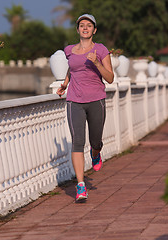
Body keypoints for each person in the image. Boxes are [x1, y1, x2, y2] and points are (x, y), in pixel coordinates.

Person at [56, 14, 114, 202]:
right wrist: (64, 84)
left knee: (95, 140)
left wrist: (97, 62)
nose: (85, 28)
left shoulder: (101, 50)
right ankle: (81, 185)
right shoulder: (69, 50)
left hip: (96, 100)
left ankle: (96, 153)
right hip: (74, 101)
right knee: (77, 141)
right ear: (78, 29)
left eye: (89, 25)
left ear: (94, 30)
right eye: (82, 25)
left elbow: (110, 78)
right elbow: (72, 69)